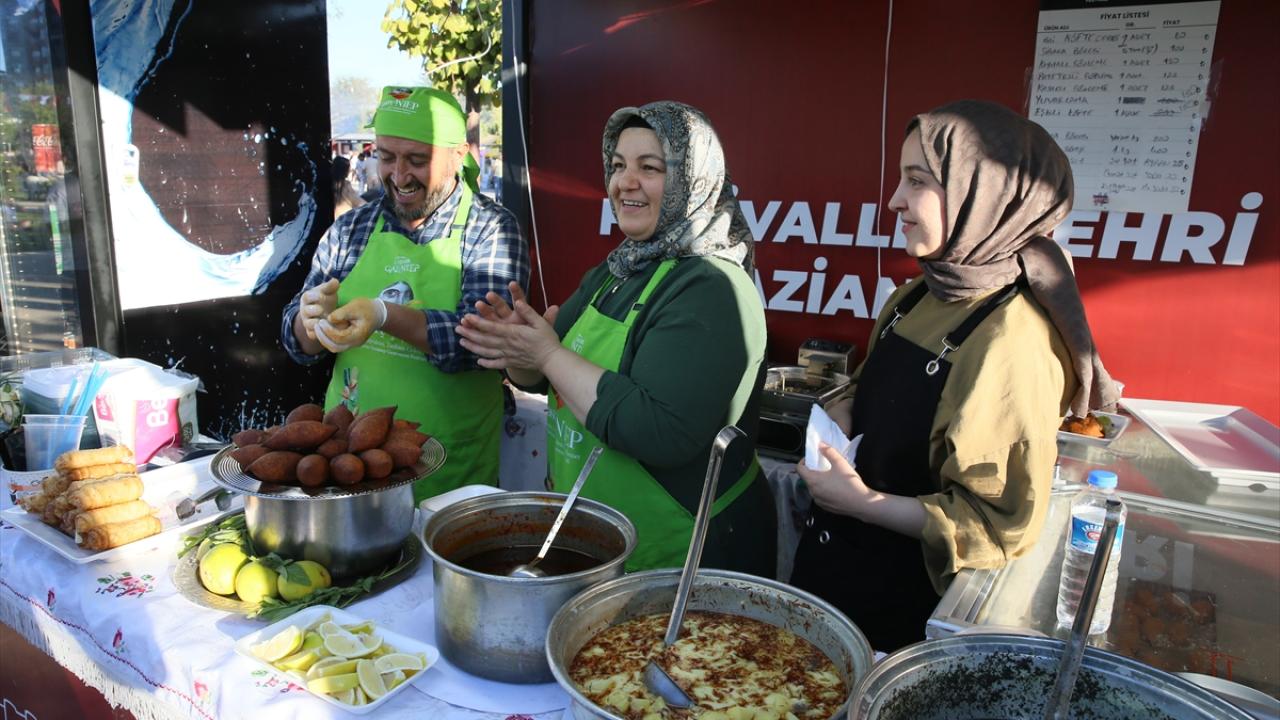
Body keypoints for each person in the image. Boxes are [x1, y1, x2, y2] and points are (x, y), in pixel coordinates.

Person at [788, 100, 1120, 651]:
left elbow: (997, 526)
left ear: (984, 197)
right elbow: (870, 387)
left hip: (900, 620)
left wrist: (863, 503)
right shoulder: (914, 295)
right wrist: (845, 408)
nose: (894, 199)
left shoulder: (1011, 340)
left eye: (917, 181)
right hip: (831, 576)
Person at [455, 101, 777, 576]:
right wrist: (518, 347)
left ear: (693, 180)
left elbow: (659, 432)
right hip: (602, 531)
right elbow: (543, 376)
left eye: (650, 168)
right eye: (619, 165)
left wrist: (546, 352)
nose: (625, 181)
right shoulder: (619, 268)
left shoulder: (711, 287)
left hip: (691, 549)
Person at [281, 86, 529, 503]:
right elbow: (298, 343)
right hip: (347, 462)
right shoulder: (352, 229)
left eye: (417, 160)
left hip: (449, 467)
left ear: (459, 155)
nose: (399, 176)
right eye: (386, 157)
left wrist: (384, 315)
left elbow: (484, 344)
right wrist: (309, 322)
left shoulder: (490, 229)